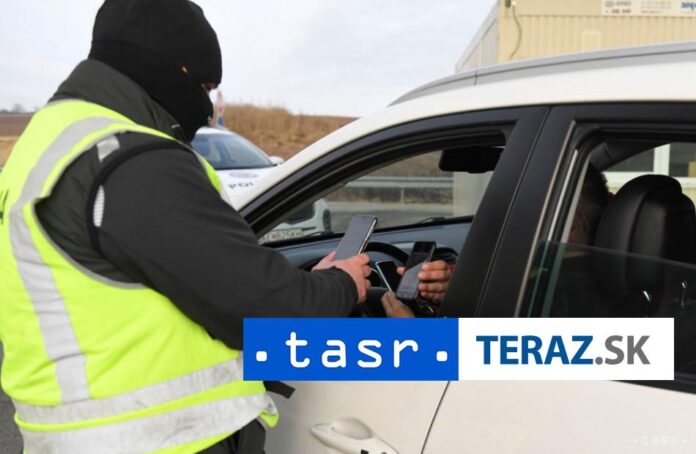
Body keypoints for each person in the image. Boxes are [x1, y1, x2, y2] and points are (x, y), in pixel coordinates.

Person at [0, 1, 374, 453]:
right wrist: (342, 284)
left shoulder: (49, 143)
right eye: (204, 86)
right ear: (163, 66)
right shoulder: (130, 160)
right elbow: (266, 310)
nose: (206, 107)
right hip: (161, 441)